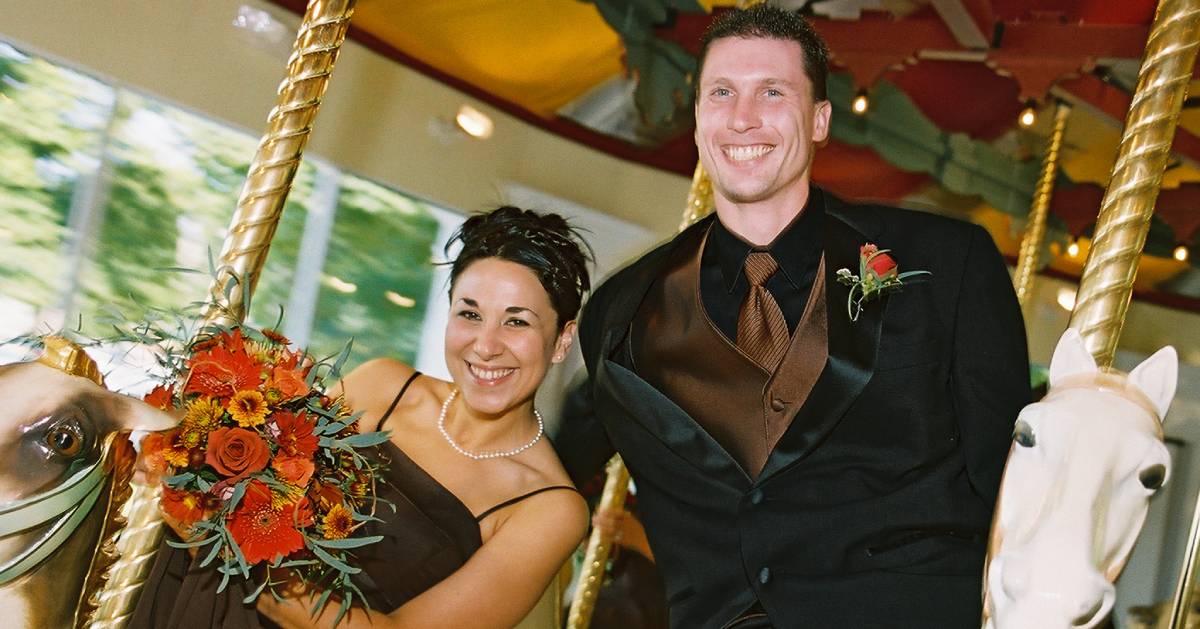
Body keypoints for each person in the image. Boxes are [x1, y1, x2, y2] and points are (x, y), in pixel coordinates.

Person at [553, 6, 1030, 628]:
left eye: (772, 92)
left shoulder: (950, 264)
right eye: (721, 92)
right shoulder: (622, 312)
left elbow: (1015, 487)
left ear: (820, 119)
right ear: (698, 120)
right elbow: (552, 474)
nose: (742, 116)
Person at [134, 206, 592, 629]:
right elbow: (261, 488)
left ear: (561, 340)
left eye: (517, 322)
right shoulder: (383, 386)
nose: (486, 345)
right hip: (197, 599)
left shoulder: (551, 509)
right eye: (470, 314)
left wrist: (217, 545)